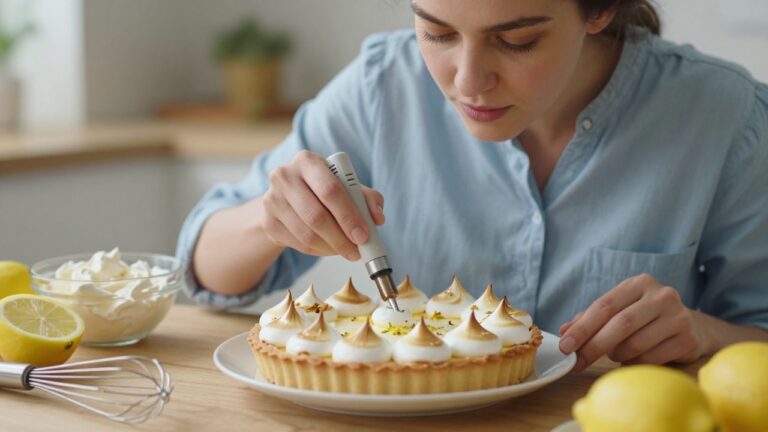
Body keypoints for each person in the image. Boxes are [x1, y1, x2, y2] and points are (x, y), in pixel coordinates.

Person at [177, 0, 768, 372]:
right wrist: (267, 219)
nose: (467, 81)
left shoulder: (725, 116)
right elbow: (203, 272)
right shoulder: (382, 87)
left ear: (600, 10)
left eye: (517, 40)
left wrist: (703, 334)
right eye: (436, 33)